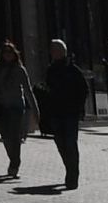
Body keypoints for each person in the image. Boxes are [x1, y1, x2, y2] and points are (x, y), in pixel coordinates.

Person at [38, 37, 89, 189]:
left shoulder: (73, 69)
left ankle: (73, 175)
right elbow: (49, 88)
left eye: (55, 49)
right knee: (60, 143)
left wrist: (78, 108)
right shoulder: (51, 69)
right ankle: (69, 168)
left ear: (62, 51)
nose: (52, 52)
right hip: (56, 112)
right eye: (51, 49)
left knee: (70, 143)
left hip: (70, 112)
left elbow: (83, 90)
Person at [0, 39, 36, 180]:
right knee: (5, 136)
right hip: (1, 105)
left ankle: (15, 163)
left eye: (10, 52)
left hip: (16, 106)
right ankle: (12, 158)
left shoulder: (19, 70)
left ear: (15, 54)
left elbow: (28, 90)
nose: (8, 55)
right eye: (5, 53)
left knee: (14, 136)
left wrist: (35, 109)